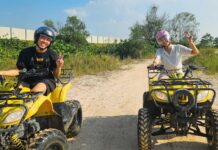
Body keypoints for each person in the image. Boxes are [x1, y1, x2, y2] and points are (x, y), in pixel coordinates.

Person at [0, 26, 64, 95]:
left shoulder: (52, 54)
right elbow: (20, 71)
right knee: (13, 94)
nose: (45, 41)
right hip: (27, 79)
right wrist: (2, 72)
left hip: (46, 80)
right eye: (42, 37)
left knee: (35, 93)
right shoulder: (25, 53)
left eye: (48, 39)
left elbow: (56, 76)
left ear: (50, 42)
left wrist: (59, 66)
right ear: (37, 38)